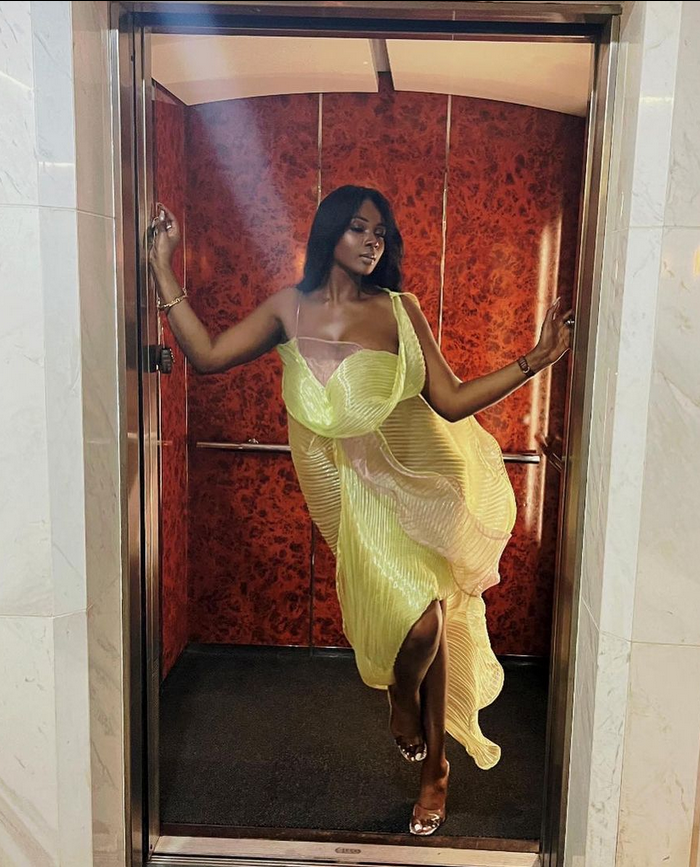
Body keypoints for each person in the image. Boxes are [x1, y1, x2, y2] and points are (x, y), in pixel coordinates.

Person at [149, 185, 573, 836]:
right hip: (342, 488)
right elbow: (206, 357)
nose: (373, 242)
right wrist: (160, 266)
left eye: (381, 232)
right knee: (421, 621)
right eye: (358, 228)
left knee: (430, 619)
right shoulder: (288, 308)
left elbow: (450, 400)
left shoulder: (400, 309)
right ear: (329, 233)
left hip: (414, 481)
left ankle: (422, 743)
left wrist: (535, 360)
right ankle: (422, 738)